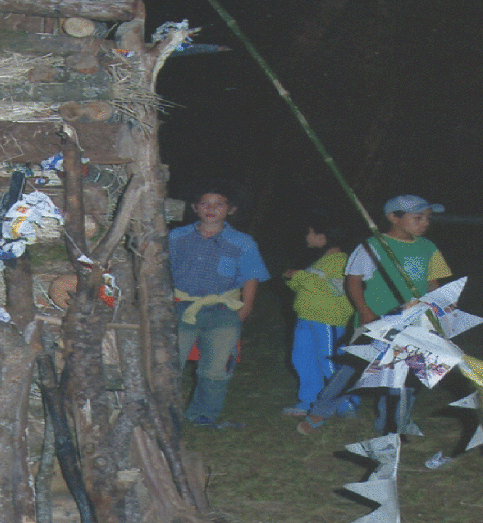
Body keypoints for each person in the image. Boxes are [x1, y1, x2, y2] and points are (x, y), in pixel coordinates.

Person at [297, 194, 452, 435]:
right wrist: (365, 312)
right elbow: (353, 281)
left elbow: (433, 283)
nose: (425, 223)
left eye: (428, 218)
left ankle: (393, 424)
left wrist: (439, 309)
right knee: (352, 371)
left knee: (405, 376)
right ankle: (320, 412)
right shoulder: (373, 246)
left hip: (414, 324)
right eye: (418, 217)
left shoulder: (428, 248)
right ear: (393, 217)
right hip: (378, 321)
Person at [169, 182, 271, 427]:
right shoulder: (177, 237)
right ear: (195, 207)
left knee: (216, 366)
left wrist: (246, 307)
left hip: (223, 310)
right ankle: (164, 413)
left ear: (231, 209)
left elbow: (251, 276)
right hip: (181, 306)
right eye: (205, 203)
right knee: (170, 362)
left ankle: (204, 415)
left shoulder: (243, 242)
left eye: (219, 204)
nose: (211, 209)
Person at [281, 214, 355, 417]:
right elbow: (308, 286)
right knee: (303, 359)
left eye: (310, 232)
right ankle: (310, 401)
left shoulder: (343, 262)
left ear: (323, 236)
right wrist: (294, 278)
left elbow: (334, 288)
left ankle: (346, 404)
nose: (307, 237)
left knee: (330, 362)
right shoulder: (321, 262)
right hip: (306, 318)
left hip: (327, 320)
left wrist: (300, 276)